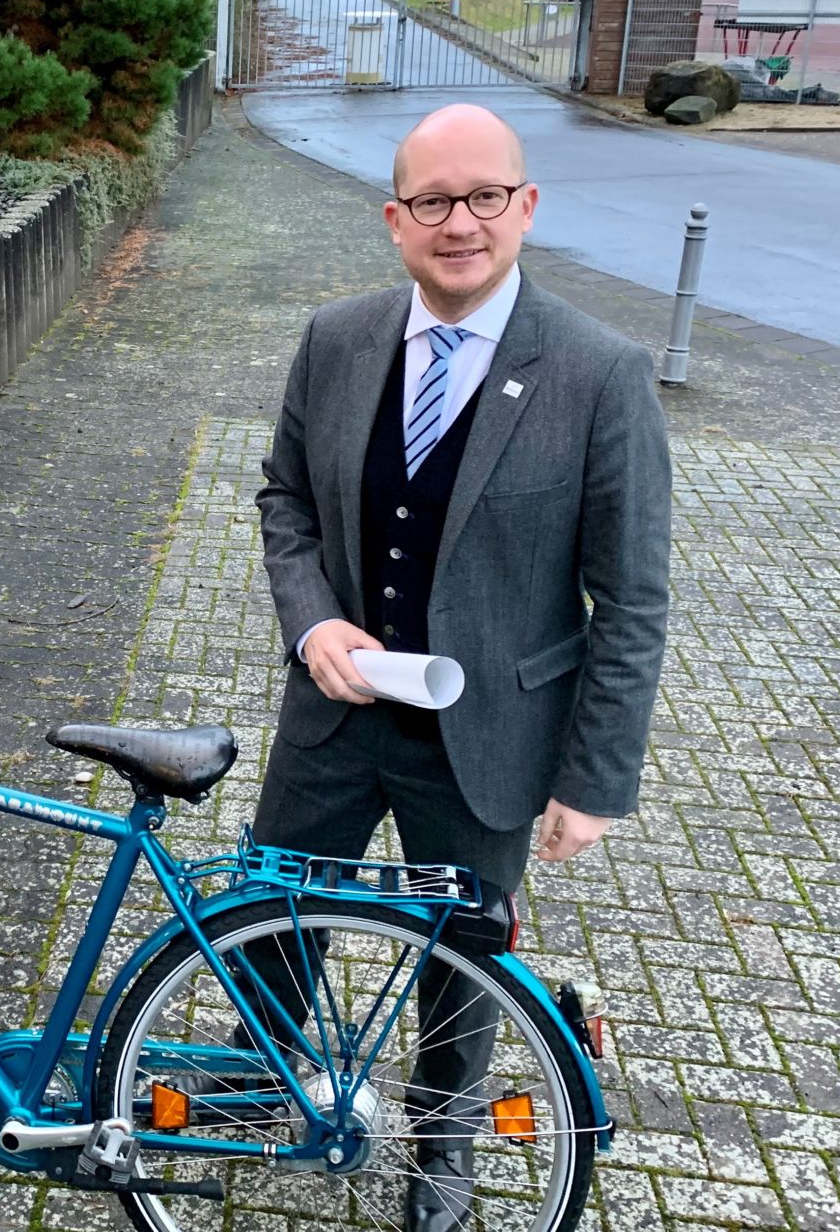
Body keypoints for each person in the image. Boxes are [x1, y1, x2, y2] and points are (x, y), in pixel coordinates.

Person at [252, 103, 671, 1230]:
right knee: (275, 914)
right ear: (395, 219)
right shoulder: (336, 338)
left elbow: (629, 598)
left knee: (466, 956)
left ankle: (442, 1144)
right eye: (433, 201)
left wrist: (594, 778)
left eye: (485, 196)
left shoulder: (599, 373)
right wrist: (311, 625)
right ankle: (261, 1079)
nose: (461, 223)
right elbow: (284, 500)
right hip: (332, 715)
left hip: (485, 742)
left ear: (525, 207)